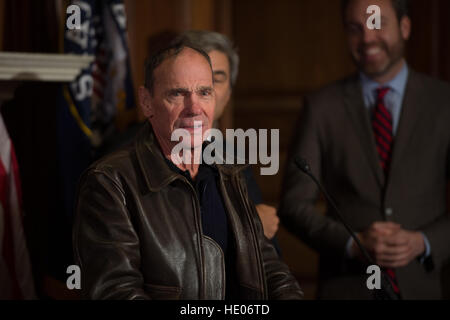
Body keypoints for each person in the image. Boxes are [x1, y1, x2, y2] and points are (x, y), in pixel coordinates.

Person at [73, 41, 303, 300]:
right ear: (147, 102)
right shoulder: (109, 182)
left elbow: (269, 269)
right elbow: (117, 292)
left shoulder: (229, 170)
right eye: (178, 93)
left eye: (204, 92)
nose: (194, 108)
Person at [279, 0, 450, 300]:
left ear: (405, 27)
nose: (367, 38)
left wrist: (424, 241)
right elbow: (294, 205)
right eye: (355, 29)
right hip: (346, 288)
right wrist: (352, 243)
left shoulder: (444, 103)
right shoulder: (321, 107)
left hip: (426, 287)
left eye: (377, 23)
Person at [176, 30, 280, 242]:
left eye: (217, 79)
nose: (207, 89)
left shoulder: (232, 155)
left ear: (229, 93)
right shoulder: (131, 152)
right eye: (197, 77)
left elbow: (268, 250)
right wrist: (247, 222)